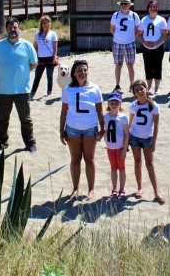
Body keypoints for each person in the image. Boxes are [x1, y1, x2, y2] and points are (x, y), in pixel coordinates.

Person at [59, 60, 105, 200]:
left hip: (90, 129)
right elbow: (64, 111)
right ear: (74, 73)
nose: (82, 72)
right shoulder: (67, 89)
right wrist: (61, 130)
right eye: (79, 70)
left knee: (89, 159)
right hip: (72, 129)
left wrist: (102, 129)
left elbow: (100, 111)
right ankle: (75, 189)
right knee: (75, 159)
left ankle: (91, 189)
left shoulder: (95, 89)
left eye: (85, 70)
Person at [0, 18, 38, 152]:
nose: (13, 29)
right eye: (10, 27)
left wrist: (21, 73)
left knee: (26, 119)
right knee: (2, 119)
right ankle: (2, 142)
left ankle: (30, 143)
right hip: (4, 90)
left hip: (22, 90)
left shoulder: (27, 45)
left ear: (19, 29)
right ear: (6, 29)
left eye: (15, 27)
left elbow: (33, 63)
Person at [128, 79, 166, 204]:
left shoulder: (154, 106)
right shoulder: (133, 106)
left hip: (147, 138)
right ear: (134, 93)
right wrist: (127, 138)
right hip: (134, 137)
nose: (140, 91)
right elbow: (130, 123)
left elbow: (156, 126)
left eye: (142, 88)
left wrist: (154, 142)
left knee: (150, 164)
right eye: (137, 90)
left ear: (146, 89)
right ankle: (139, 188)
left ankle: (156, 193)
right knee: (137, 162)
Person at [137, 0, 168, 95]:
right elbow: (139, 34)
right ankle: (149, 87)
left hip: (158, 47)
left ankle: (157, 88)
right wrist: (144, 43)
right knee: (148, 67)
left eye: (154, 7)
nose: (152, 9)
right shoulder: (144, 20)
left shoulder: (161, 20)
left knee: (158, 67)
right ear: (148, 8)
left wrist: (156, 44)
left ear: (157, 8)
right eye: (151, 7)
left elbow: (164, 35)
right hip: (146, 48)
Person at [110, 0, 140, 93]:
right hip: (117, 43)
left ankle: (132, 85)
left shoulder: (134, 15)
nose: (124, 5)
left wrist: (129, 37)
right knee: (118, 64)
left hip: (129, 43)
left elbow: (137, 29)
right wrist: (119, 37)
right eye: (122, 3)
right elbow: (112, 29)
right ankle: (117, 85)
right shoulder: (115, 15)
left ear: (130, 5)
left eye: (126, 3)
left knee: (130, 65)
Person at [104, 91, 129, 198]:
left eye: (116, 103)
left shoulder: (123, 117)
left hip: (120, 148)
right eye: (112, 102)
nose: (114, 105)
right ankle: (114, 189)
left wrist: (124, 149)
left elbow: (126, 135)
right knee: (113, 168)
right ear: (108, 104)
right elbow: (104, 131)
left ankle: (122, 189)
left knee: (122, 168)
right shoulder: (105, 117)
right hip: (110, 148)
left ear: (120, 104)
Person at [31, 15, 58, 99]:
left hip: (50, 58)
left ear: (50, 23)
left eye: (47, 23)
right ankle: (32, 93)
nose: (45, 24)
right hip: (40, 58)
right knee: (37, 76)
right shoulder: (37, 34)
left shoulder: (53, 34)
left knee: (49, 76)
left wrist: (55, 56)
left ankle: (49, 92)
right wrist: (35, 57)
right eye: (43, 23)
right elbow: (35, 46)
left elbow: (55, 47)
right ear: (41, 24)